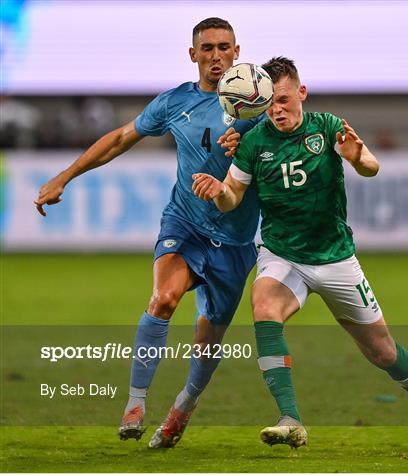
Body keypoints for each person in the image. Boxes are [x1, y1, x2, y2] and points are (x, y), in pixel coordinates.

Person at [192, 57, 408, 451]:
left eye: (283, 100)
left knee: (383, 352)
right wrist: (218, 191)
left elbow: (371, 166)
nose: (277, 110)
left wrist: (357, 156)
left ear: (301, 93)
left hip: (336, 259)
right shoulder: (254, 143)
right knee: (263, 306)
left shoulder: (327, 126)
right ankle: (290, 418)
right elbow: (232, 198)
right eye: (269, 104)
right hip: (283, 255)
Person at [34, 17, 261, 449]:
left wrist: (252, 147)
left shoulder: (258, 109)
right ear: (193, 54)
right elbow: (121, 138)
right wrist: (65, 176)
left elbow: (277, 158)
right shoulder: (175, 102)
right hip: (186, 223)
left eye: (225, 47)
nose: (217, 56)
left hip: (235, 240)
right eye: (208, 48)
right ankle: (135, 403)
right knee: (163, 298)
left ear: (237, 52)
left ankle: (181, 410)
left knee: (207, 344)